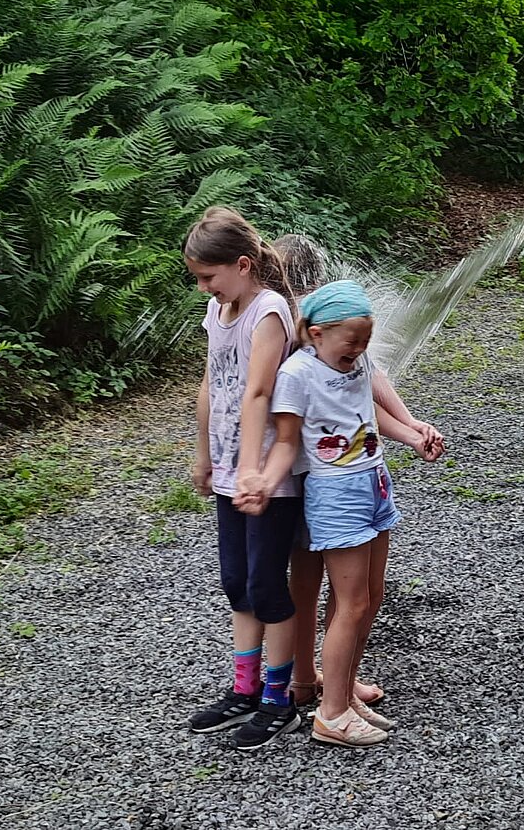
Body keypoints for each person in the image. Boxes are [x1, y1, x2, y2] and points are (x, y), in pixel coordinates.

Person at [238, 279, 443, 747]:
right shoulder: (297, 374)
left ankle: (342, 691)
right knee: (352, 604)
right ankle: (330, 715)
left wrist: (413, 434)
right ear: (316, 333)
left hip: (374, 482)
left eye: (365, 344)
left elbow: (367, 412)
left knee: (368, 596)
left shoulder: (353, 361)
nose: (359, 353)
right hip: (335, 495)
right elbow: (287, 440)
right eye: (352, 345)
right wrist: (263, 482)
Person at [183, 206, 305, 751]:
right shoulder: (218, 309)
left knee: (266, 585)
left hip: (268, 474)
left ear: (242, 264)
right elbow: (211, 385)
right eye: (198, 278)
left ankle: (279, 702)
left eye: (208, 276)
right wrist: (204, 455)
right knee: (236, 582)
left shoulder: (269, 311)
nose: (204, 287)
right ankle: (245, 689)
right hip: (231, 468)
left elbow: (258, 391)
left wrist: (253, 469)